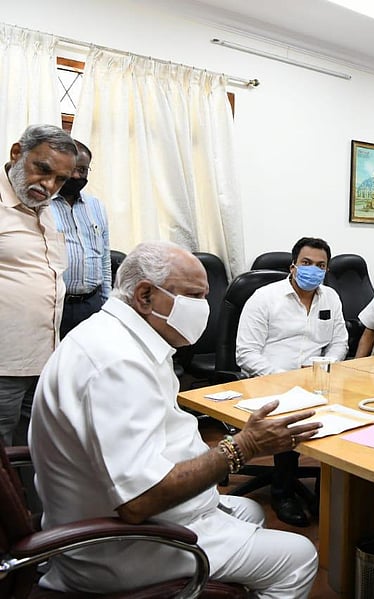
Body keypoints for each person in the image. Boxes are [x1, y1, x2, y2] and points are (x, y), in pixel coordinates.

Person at [29, 241, 320, 597]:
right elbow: (140, 502)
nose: (204, 309)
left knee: (248, 512)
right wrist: (243, 447)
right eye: (194, 297)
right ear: (145, 295)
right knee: (299, 557)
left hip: (128, 515)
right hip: (116, 547)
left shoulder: (126, 338)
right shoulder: (117, 363)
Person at [236, 236, 348, 527]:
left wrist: (323, 369)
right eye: (307, 263)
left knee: (341, 418)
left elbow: (339, 343)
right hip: (269, 381)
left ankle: (324, 494)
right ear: (293, 266)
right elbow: (246, 353)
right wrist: (282, 379)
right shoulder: (264, 298)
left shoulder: (331, 298)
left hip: (315, 380)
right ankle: (283, 492)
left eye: (320, 265)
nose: (313, 269)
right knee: (288, 417)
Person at [0, 124, 76, 445]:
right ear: (18, 153)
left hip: (45, 361)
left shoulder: (43, 208)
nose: (49, 185)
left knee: (36, 452)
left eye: (60, 179)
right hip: (4, 366)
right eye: (42, 170)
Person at [50, 139, 112, 338]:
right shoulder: (41, 205)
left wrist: (106, 301)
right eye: (73, 169)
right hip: (55, 306)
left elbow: (104, 258)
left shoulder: (96, 206)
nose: (77, 175)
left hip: (91, 304)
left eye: (83, 170)